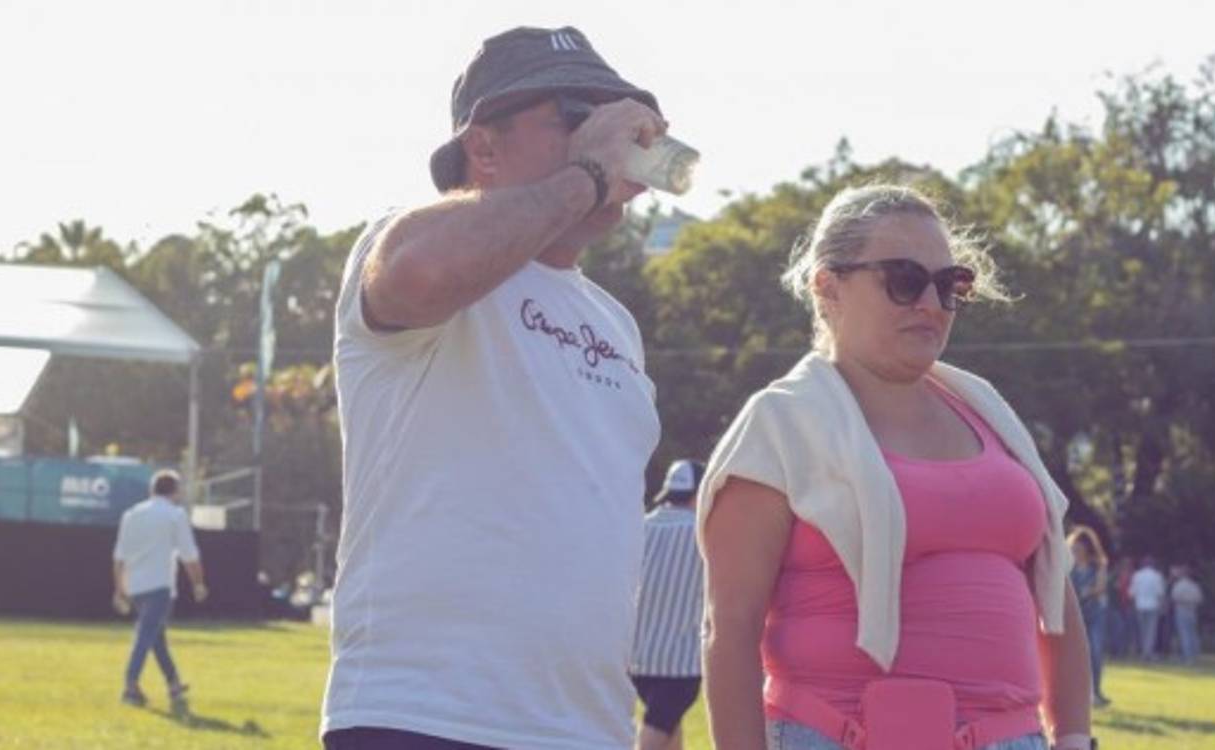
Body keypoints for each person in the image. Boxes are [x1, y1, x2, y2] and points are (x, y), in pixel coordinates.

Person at [320, 26, 669, 750]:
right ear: (483, 148)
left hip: (587, 730)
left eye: (619, 121)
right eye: (577, 116)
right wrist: (590, 175)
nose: (606, 138)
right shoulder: (405, 240)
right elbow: (417, 276)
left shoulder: (616, 323)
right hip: (421, 718)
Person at [698, 185, 1094, 750]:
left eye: (948, 284)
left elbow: (1055, 594)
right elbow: (729, 630)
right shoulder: (783, 422)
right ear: (827, 286)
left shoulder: (988, 411)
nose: (930, 304)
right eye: (904, 280)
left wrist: (1075, 737)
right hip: (840, 735)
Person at [112, 469, 208, 708]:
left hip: (135, 585)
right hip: (160, 584)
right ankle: (130, 684)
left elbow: (120, 556)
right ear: (174, 491)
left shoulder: (132, 515)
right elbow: (189, 554)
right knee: (146, 635)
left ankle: (174, 684)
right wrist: (198, 583)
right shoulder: (175, 515)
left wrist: (120, 589)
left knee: (156, 637)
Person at [630, 460, 707, 750]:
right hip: (681, 663)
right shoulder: (704, 535)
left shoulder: (642, 527)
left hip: (638, 660)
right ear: (699, 494)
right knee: (655, 733)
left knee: (669, 732)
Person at [1067, 527, 1111, 708]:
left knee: (1096, 651)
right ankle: (1079, 694)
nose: (1075, 552)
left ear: (1086, 548)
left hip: (1095, 614)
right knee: (1075, 655)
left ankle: (1096, 692)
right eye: (1073, 549)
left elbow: (1101, 588)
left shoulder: (1098, 566)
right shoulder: (1071, 568)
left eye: (1078, 549)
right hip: (1077, 614)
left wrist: (1088, 591)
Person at [1129, 557, 1166, 661]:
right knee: (1151, 631)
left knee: (1142, 630)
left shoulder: (1137, 575)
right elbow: (1160, 593)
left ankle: (1144, 652)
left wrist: (1133, 604)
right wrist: (1162, 606)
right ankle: (1147, 652)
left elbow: (1132, 593)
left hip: (1140, 605)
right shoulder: (1157, 576)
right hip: (1153, 605)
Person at [1169, 565, 1204, 665]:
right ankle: (1195, 654)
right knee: (1192, 633)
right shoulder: (1194, 586)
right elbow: (1199, 599)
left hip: (1181, 610)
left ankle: (1187, 656)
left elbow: (1174, 598)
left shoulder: (1179, 585)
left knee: (1184, 634)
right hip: (1192, 610)